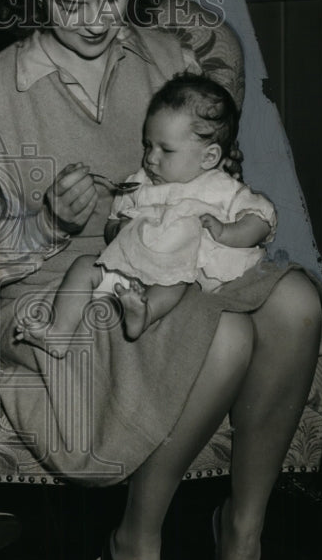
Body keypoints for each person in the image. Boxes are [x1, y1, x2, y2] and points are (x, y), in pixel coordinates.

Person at [0, 0, 322, 560]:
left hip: (175, 261)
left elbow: (215, 178)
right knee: (224, 337)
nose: (93, 20)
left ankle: (243, 520)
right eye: (68, 1)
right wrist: (51, 221)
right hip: (54, 291)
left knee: (298, 304)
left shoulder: (173, 60)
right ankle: (135, 537)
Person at [15, 74, 276, 358]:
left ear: (209, 157)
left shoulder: (220, 187)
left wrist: (227, 232)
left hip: (179, 273)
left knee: (174, 281)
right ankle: (58, 334)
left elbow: (261, 218)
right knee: (83, 267)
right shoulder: (139, 183)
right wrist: (120, 229)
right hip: (131, 271)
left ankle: (145, 313)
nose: (151, 158)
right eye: (148, 145)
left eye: (166, 150)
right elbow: (113, 224)